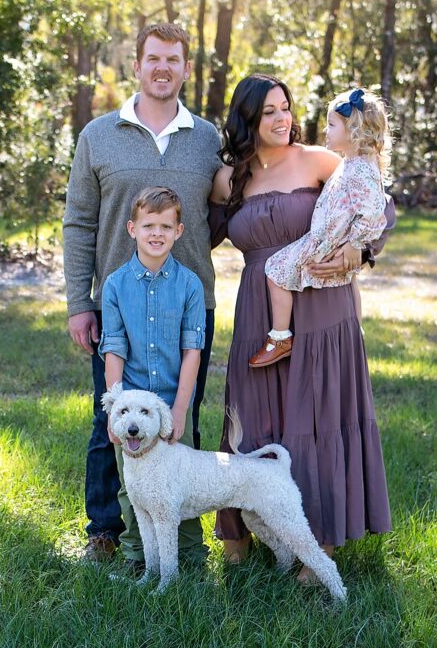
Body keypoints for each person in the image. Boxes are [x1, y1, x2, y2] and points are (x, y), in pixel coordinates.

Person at [209, 73, 393, 581]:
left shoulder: (319, 161)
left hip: (324, 307)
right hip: (258, 307)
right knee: (254, 415)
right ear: (247, 119)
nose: (283, 118)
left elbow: (377, 200)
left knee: (317, 417)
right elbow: (190, 236)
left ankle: (321, 542)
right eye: (269, 111)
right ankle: (243, 531)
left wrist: (361, 249)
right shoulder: (229, 180)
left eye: (286, 107)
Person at [63, 23, 221, 562]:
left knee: (180, 419)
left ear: (185, 69)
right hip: (119, 307)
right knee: (111, 420)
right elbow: (79, 222)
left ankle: (177, 540)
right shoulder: (98, 136)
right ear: (137, 66)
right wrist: (79, 304)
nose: (162, 68)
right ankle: (105, 533)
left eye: (173, 59)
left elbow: (220, 214)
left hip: (186, 305)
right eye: (153, 58)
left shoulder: (207, 138)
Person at [100, 186, 208, 569]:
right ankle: (138, 555)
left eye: (166, 226)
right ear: (132, 228)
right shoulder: (114, 285)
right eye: (148, 225)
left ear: (179, 231)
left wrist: (180, 409)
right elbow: (113, 347)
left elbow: (192, 350)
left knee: (185, 479)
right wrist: (115, 409)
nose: (156, 233)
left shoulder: (190, 285)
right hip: (133, 409)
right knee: (134, 488)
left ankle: (191, 555)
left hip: (170, 401)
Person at [249, 87, 391, 368]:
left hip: (326, 242)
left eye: (331, 125)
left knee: (275, 269)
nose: (325, 130)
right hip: (327, 238)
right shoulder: (348, 164)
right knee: (348, 280)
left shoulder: (360, 168)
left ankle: (280, 336)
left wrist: (357, 245)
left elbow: (377, 210)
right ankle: (353, 331)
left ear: (354, 131)